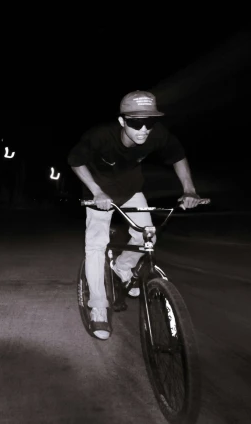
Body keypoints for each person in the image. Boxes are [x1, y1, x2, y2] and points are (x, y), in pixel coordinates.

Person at [67, 90, 206, 340]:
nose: (143, 129)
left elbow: (178, 156)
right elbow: (75, 160)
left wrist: (189, 190)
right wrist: (97, 192)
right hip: (98, 192)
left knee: (147, 234)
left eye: (149, 122)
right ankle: (98, 307)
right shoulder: (101, 136)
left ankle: (123, 267)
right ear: (122, 121)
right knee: (96, 245)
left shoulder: (157, 135)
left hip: (131, 189)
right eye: (135, 123)